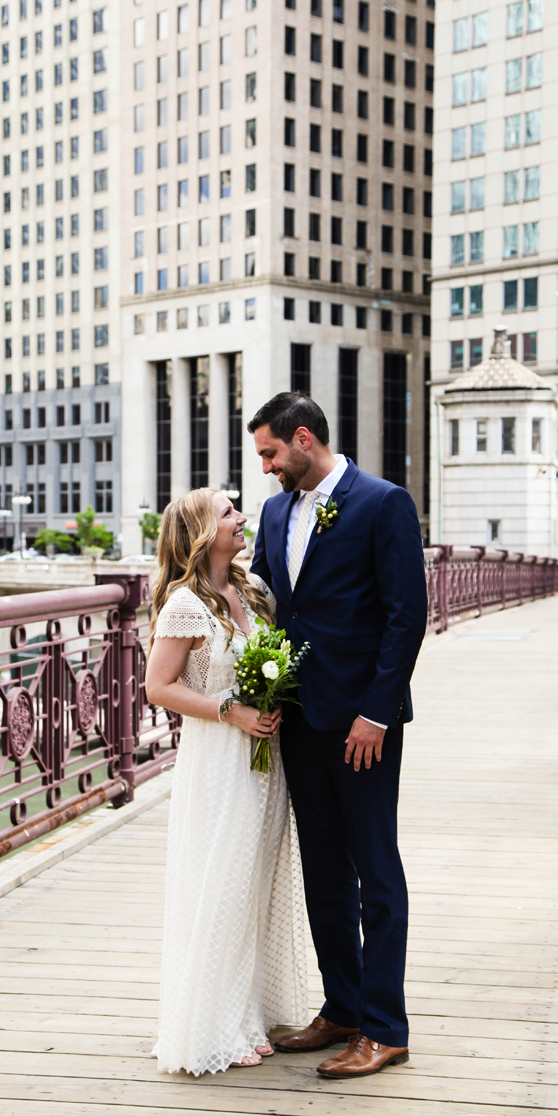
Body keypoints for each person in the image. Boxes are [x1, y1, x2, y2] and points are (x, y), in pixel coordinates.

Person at [248, 391, 428, 1080]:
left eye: (270, 452)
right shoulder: (273, 511)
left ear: (302, 439)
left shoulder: (383, 503)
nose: (265, 467)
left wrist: (376, 712)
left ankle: (386, 1026)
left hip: (363, 726)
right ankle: (343, 1007)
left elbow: (404, 617)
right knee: (324, 872)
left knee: (375, 873)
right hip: (297, 719)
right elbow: (268, 601)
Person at [145, 487, 310, 1077]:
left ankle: (248, 1012)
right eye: (228, 513)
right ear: (199, 532)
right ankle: (213, 1023)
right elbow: (158, 687)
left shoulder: (251, 591)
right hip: (219, 759)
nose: (242, 519)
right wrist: (231, 711)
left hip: (265, 760)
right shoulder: (183, 605)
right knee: (224, 883)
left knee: (256, 880)